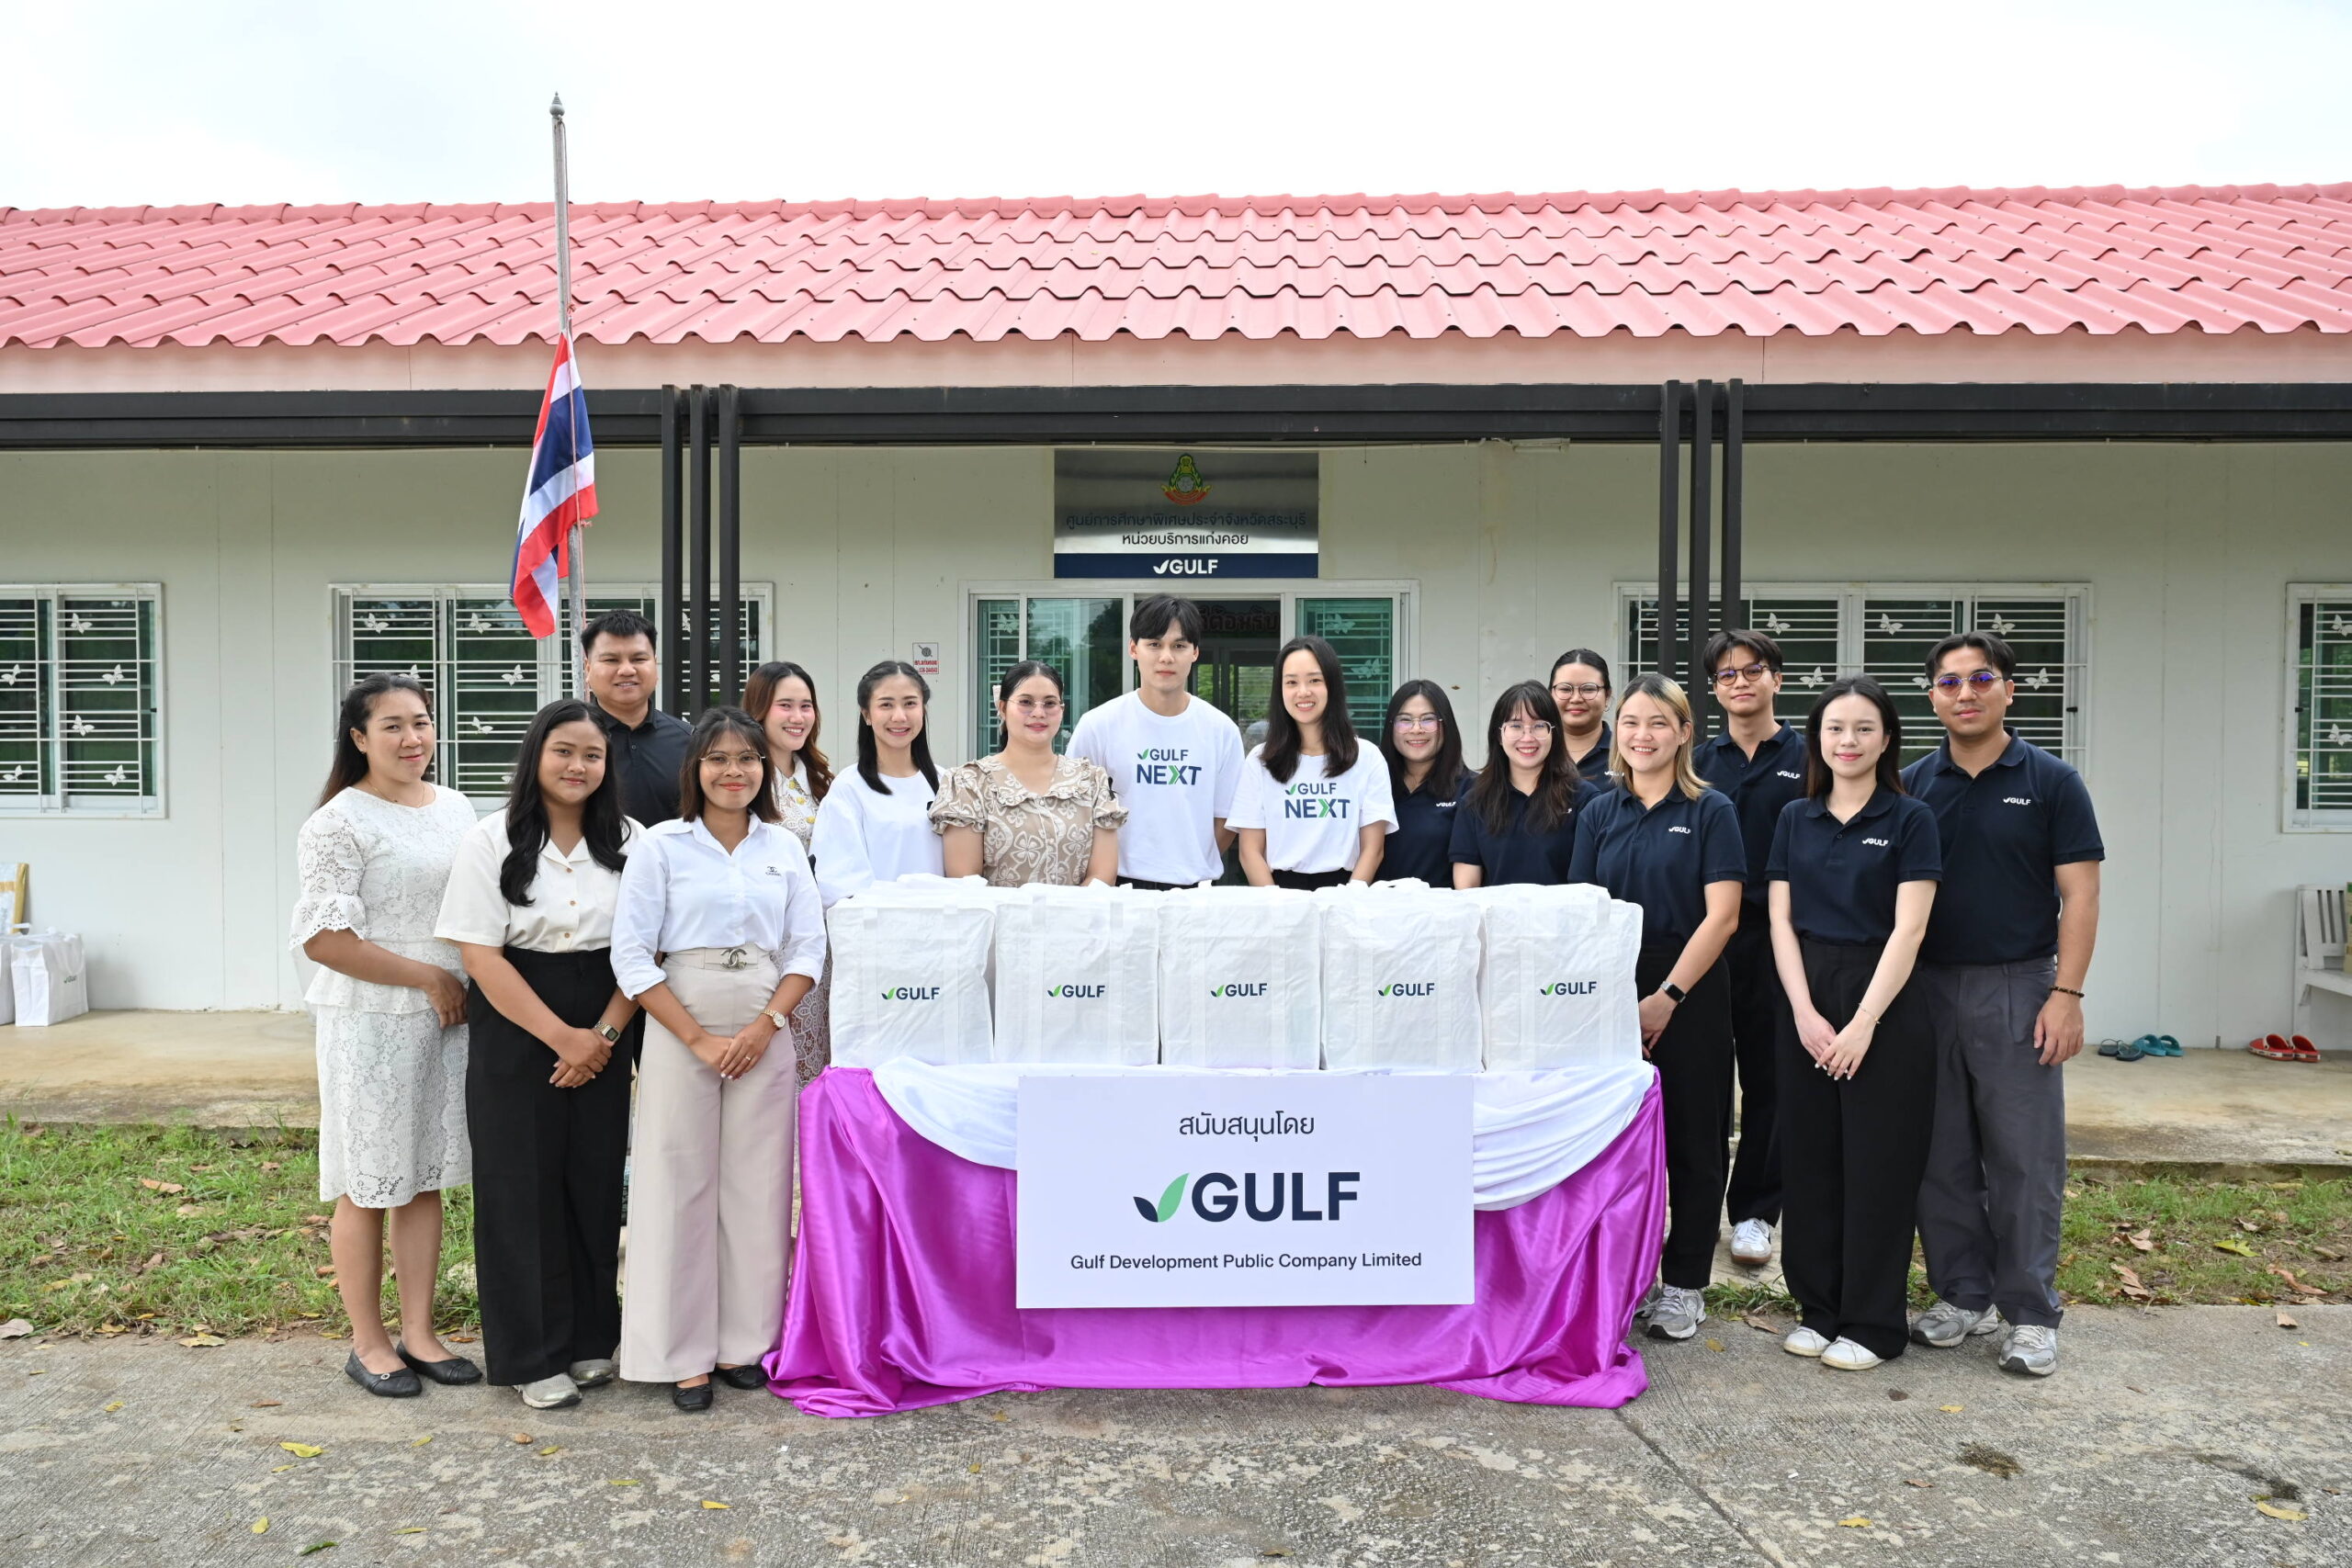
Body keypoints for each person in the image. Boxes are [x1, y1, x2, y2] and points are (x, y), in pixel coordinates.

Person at [610, 707, 824, 1411]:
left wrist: (768, 1025)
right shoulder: (662, 845)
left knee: (759, 1184)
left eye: (747, 758)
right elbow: (632, 955)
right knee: (678, 1182)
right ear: (695, 767)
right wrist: (695, 1038)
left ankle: (745, 1343)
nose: (734, 771)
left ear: (765, 768)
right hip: (682, 1016)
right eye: (718, 758)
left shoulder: (784, 846)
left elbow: (807, 948)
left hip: (764, 1016)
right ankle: (681, 1354)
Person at [1902, 632, 2103, 1378]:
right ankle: (1964, 1292)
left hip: (2019, 986)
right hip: (1925, 987)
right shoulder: (1912, 784)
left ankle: (2030, 1312)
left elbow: (2081, 893)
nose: (1966, 693)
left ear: (2009, 690)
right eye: (1950, 681)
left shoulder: (2052, 781)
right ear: (1932, 696)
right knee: (1939, 1154)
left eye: (1982, 678)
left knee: (2024, 1157)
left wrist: (2066, 994)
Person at [433, 700, 643, 1409]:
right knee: (519, 1187)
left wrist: (602, 1037)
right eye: (564, 751)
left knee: (593, 1181)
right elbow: (480, 956)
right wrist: (564, 1038)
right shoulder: (490, 839)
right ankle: (531, 1353)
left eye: (592, 754)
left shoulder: (633, 841)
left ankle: (590, 1338)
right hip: (518, 1020)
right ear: (536, 756)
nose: (578, 765)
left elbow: (646, 950)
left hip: (610, 1010)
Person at [289, 673, 481, 1399]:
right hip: (372, 1020)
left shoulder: (456, 807)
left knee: (422, 1176)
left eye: (421, 722)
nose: (412, 738)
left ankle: (421, 1332)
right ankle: (368, 1342)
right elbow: (326, 939)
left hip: (447, 1019)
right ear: (359, 737)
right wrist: (427, 977)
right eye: (393, 725)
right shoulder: (338, 821)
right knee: (369, 1180)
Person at [1766, 678, 1941, 1371]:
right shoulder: (1794, 816)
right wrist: (1804, 1011)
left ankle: (1872, 1323)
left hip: (1884, 999)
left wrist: (1865, 1021)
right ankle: (1818, 1309)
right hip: (1806, 992)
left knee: (1878, 1164)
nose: (1848, 740)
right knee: (1809, 1160)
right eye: (1835, 728)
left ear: (1887, 738)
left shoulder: (1911, 817)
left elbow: (1910, 927)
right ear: (1817, 739)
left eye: (1864, 728)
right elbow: (1780, 920)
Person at [1567, 673, 1745, 1343]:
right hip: (1611, 990)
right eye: (1632, 722)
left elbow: (1723, 915)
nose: (1642, 735)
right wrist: (1615, 1001)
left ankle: (1685, 1284)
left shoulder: (1711, 810)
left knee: (1695, 1141)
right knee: (1616, 1142)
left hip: (1689, 989)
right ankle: (1626, 1278)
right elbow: (1583, 912)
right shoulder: (1598, 810)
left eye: (1658, 723)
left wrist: (1666, 998)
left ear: (1683, 732)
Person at [1693, 629, 1810, 1270]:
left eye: (1752, 671)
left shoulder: (1810, 756)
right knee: (1707, 1081)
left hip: (1777, 939)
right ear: (1714, 689)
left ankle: (1756, 1211)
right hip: (1708, 938)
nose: (1740, 682)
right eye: (1727, 675)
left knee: (1771, 1078)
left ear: (1777, 679)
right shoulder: (1697, 760)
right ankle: (1700, 1203)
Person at [1067, 595, 1246, 889]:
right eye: (1154, 644)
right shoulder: (1098, 725)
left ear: (1195, 652)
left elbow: (1226, 818)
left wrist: (1189, 861)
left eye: (1179, 646)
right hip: (1116, 887)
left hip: (1192, 892)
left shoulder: (1220, 730)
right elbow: (1075, 811)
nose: (1166, 657)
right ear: (1133, 648)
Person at [931, 660, 1125, 886]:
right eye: (1026, 702)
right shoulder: (970, 783)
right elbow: (966, 881)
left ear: (1061, 710)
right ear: (1002, 708)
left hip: (1079, 909)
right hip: (995, 911)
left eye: (1050, 703)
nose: (1039, 713)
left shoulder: (1091, 781)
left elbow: (1102, 876)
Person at [1228, 636, 1396, 889]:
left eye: (1315, 680)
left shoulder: (1367, 757)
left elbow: (1373, 850)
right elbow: (1249, 852)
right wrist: (1276, 904)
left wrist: (1348, 901)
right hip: (1279, 892)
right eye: (1291, 682)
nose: (1303, 692)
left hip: (1347, 891)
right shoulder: (1260, 761)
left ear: (1332, 685)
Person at [741, 660, 834, 1087]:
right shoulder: (744, 779)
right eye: (785, 706)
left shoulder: (819, 779)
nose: (798, 717)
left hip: (817, 942)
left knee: (815, 1058)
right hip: (764, 941)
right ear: (759, 709)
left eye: (806, 706)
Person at [810, 660, 944, 906]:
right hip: (879, 924)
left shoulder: (946, 783)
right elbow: (840, 883)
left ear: (923, 710)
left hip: (944, 923)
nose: (899, 716)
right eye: (886, 705)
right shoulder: (849, 789)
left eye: (910, 703)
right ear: (867, 715)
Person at [1451, 682, 1598, 887]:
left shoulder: (1585, 798)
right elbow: (1467, 888)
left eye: (1539, 726)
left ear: (1554, 734)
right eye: (1515, 726)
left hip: (1564, 910)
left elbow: (1590, 882)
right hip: (1494, 910)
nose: (1527, 738)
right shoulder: (1474, 802)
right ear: (1499, 735)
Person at [581, 609, 691, 824]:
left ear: (655, 665)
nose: (626, 670)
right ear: (588, 669)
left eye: (639, 659)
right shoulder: (567, 741)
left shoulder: (691, 741)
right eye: (611, 660)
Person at [1377, 679, 1472, 886]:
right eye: (1405, 720)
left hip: (1443, 907)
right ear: (1391, 727)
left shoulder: (1472, 789)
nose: (1416, 729)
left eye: (1428, 720)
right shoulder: (1374, 786)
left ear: (1445, 725)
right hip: (1377, 905)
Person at [1549, 649, 1617, 786]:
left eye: (1588, 689)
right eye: (1565, 689)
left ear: (1607, 696)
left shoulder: (1625, 753)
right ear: (1550, 694)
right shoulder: (1534, 750)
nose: (1576, 699)